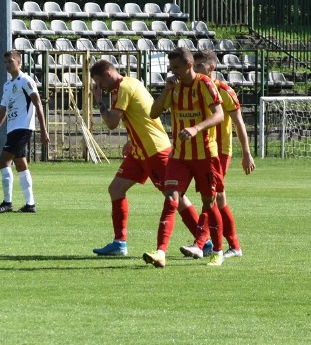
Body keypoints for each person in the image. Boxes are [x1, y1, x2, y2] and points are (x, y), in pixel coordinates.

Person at [89, 60, 206, 256]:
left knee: (175, 195)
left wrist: (99, 99)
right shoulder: (130, 83)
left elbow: (111, 123)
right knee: (116, 189)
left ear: (108, 75)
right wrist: (131, 139)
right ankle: (119, 243)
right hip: (139, 150)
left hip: (155, 150)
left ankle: (205, 240)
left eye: (99, 82)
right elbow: (139, 116)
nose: (99, 86)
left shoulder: (123, 88)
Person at [143, 47, 225, 268]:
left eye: (176, 68)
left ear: (189, 66)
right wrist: (165, 90)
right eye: (171, 69)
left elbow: (219, 114)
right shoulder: (174, 87)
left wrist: (197, 128)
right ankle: (161, 252)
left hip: (205, 155)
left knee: (209, 203)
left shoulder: (204, 84)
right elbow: (153, 113)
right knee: (171, 198)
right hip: (179, 155)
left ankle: (218, 251)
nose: (173, 72)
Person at [179, 50, 256, 259]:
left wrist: (246, 153)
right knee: (219, 199)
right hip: (201, 149)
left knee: (210, 197)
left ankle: (200, 243)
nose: (194, 70)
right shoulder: (194, 88)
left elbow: (239, 123)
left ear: (211, 68)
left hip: (219, 150)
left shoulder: (224, 90)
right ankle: (235, 247)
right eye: (193, 66)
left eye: (198, 66)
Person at [0, 50, 50, 213]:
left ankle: (7, 202)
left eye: (11, 61)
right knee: (20, 164)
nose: (7, 65)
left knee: (3, 160)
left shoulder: (26, 81)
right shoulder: (8, 85)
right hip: (13, 128)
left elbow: (38, 104)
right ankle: (30, 204)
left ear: (19, 63)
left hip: (23, 127)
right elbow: (3, 111)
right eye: (5, 62)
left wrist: (43, 130)